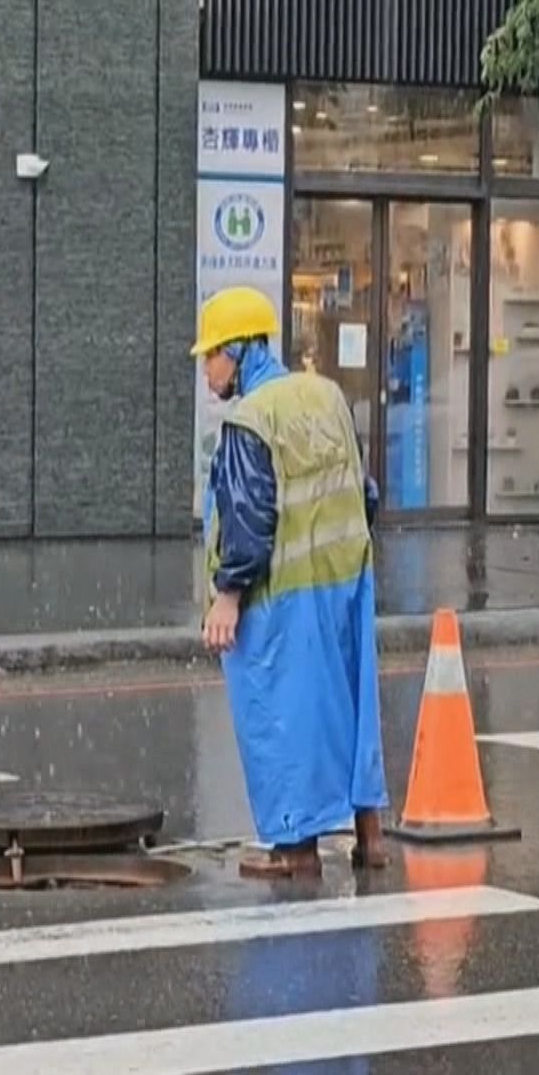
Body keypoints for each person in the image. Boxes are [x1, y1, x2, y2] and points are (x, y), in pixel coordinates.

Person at [194, 285, 389, 880]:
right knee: (352, 705)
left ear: (239, 350)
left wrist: (228, 595)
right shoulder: (327, 395)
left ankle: (295, 849)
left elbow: (248, 517)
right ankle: (371, 835)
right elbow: (364, 489)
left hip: (284, 593)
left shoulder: (250, 420)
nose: (206, 370)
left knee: (284, 715)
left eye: (210, 356)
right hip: (347, 577)